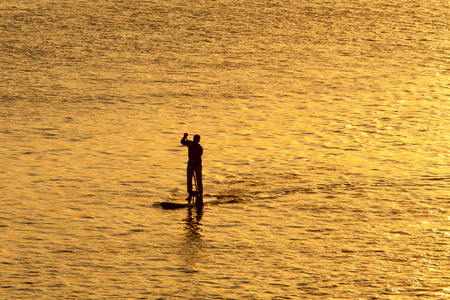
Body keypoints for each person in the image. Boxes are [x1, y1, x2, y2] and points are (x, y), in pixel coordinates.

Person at [181, 133, 203, 202]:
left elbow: (198, 156)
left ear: (199, 140)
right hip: (190, 165)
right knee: (189, 179)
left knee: (198, 179)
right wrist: (184, 137)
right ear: (194, 139)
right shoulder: (190, 144)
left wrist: (194, 160)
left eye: (197, 140)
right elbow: (182, 142)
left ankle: (200, 194)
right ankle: (190, 194)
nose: (196, 141)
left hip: (197, 165)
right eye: (195, 139)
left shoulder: (200, 148)